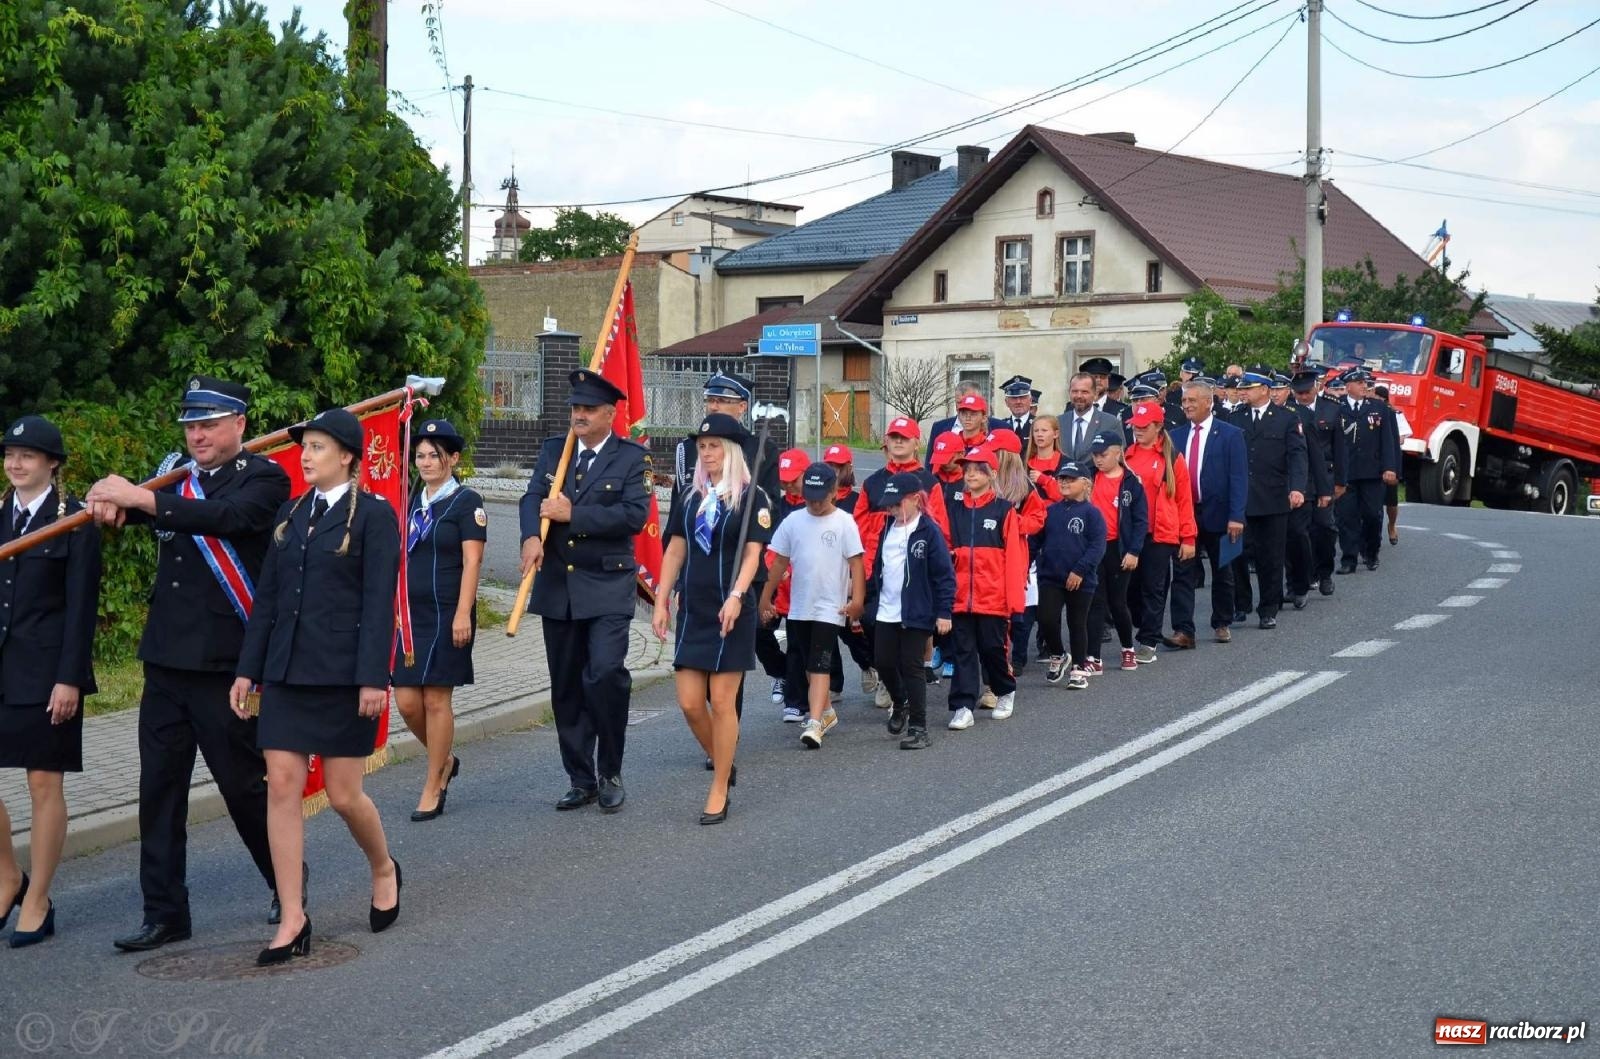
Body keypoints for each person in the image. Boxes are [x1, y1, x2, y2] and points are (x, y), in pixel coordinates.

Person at [88, 377, 290, 953]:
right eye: (190, 425)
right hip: (166, 661)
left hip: (225, 667)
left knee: (243, 789)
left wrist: (140, 497)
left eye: (208, 424)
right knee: (159, 791)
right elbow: (145, 516)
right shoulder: (175, 475)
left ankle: (286, 884)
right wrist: (110, 503)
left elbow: (225, 519)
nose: (197, 434)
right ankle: (165, 911)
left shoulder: (264, 478)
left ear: (239, 425)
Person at [229, 408, 402, 965]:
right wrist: (247, 669)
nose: (306, 456)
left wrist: (374, 677)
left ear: (348, 456)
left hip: (344, 675)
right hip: (286, 672)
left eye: (320, 447)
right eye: (305, 447)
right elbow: (269, 602)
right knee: (281, 784)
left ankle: (382, 866)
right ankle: (294, 915)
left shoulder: (374, 515)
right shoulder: (291, 513)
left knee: (345, 794)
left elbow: (380, 602)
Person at [519, 369, 650, 813]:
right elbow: (531, 498)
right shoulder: (555, 451)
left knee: (605, 675)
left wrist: (574, 514)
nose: (578, 415)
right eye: (575, 408)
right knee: (568, 687)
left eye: (588, 409)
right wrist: (529, 537)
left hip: (608, 584)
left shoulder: (631, 458)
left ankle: (609, 769)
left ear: (610, 415)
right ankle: (580, 777)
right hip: (559, 586)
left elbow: (633, 516)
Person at [0, 416, 100, 948]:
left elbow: (81, 610)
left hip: (46, 673)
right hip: (1, 667)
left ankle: (37, 898)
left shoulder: (75, 521)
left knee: (43, 783)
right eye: (10, 455)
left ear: (52, 463)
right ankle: (7, 877)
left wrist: (70, 680)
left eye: (28, 456)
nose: (16, 464)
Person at [653, 414, 772, 824]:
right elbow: (674, 550)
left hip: (731, 609)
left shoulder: (752, 497)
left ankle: (719, 785)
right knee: (689, 703)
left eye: (715, 446)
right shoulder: (689, 496)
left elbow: (754, 555)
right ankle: (721, 756)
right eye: (702, 447)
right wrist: (661, 600)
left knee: (722, 702)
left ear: (733, 450)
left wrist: (738, 596)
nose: (707, 453)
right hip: (695, 608)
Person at [673, 371, 780, 724]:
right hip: (697, 569)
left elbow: (769, 510)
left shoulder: (758, 449)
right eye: (710, 400)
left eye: (721, 401)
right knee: (697, 670)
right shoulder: (690, 448)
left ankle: (724, 739)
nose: (713, 405)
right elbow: (679, 517)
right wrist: (674, 578)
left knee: (730, 667)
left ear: (742, 407)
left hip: (739, 564)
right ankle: (717, 735)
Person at [391, 419, 485, 822]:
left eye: (435, 456)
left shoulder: (467, 502)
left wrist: (464, 611)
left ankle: (433, 783)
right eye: (421, 456)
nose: (427, 463)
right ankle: (444, 759)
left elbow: (472, 560)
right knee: (407, 702)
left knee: (435, 699)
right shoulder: (411, 501)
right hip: (410, 616)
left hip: (449, 612)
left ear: (453, 459)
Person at [758, 463, 864, 750]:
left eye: (821, 497)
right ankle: (826, 712)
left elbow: (856, 562)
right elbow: (779, 561)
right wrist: (766, 596)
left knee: (820, 663)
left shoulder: (844, 522)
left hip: (830, 607)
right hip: (799, 605)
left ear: (834, 492)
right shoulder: (793, 521)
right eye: (809, 497)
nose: (815, 503)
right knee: (806, 663)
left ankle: (815, 722)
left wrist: (857, 601)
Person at [928, 446, 1027, 730]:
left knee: (992, 649)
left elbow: (1013, 558)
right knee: (963, 652)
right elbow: (944, 544)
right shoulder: (954, 508)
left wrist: (1014, 602)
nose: (970, 474)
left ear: (992, 474)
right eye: (967, 469)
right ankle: (962, 705)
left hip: (993, 598)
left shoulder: (1003, 510)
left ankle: (1004, 690)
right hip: (960, 598)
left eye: (977, 469)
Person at [864, 472, 954, 751]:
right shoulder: (887, 529)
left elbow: (944, 575)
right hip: (887, 609)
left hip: (917, 611)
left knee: (911, 665)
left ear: (916, 499)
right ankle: (899, 701)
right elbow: (879, 569)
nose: (892, 510)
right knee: (883, 661)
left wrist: (944, 612)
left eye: (896, 504)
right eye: (888, 505)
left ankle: (919, 726)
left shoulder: (929, 531)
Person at [1166, 380, 1248, 646]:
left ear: (1207, 402)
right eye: (1184, 401)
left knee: (1222, 570)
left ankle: (1222, 621)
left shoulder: (1230, 434)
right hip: (1186, 515)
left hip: (1220, 514)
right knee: (1182, 572)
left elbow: (1238, 478)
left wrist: (1236, 516)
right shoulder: (1175, 436)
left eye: (1192, 401)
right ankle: (1183, 630)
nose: (1186, 405)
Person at [1226, 372, 1307, 628]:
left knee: (1270, 557)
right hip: (1240, 498)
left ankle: (1269, 608)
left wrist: (1297, 488)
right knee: (1234, 553)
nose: (1243, 392)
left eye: (1248, 388)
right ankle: (1241, 602)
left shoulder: (1286, 418)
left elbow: (1297, 455)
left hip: (1272, 498)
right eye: (1242, 388)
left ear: (1265, 389)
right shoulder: (1235, 417)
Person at [1124, 402, 1196, 661]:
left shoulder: (1172, 458)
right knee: (1131, 588)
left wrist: (1188, 538)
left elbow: (1184, 500)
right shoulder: (1126, 456)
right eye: (1136, 426)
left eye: (1144, 427)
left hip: (1160, 533)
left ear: (1158, 427)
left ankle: (1148, 639)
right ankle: (1142, 624)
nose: (1139, 431)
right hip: (1131, 532)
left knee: (1153, 587)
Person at [1037, 460, 1105, 690]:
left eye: (1070, 479)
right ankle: (1058, 654)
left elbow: (1097, 546)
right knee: (1046, 618)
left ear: (1085, 484)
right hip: (1051, 576)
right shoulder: (1050, 511)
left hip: (1081, 579)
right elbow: (1036, 541)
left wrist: (1079, 570)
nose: (1064, 482)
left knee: (1077, 622)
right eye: (1061, 478)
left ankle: (1078, 667)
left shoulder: (1092, 513)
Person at [1085, 433, 1146, 673]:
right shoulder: (1089, 476)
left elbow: (1140, 521)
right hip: (1094, 547)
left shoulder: (1131, 481)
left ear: (1118, 452)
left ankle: (1128, 648)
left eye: (1104, 455)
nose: (1099, 460)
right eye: (1095, 455)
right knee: (1095, 602)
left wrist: (1134, 551)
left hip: (1118, 548)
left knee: (1118, 602)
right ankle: (1094, 657)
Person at [822, 443, 877, 701]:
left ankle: (868, 664)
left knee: (850, 630)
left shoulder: (856, 501)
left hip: (850, 575)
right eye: (828, 466)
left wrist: (857, 579)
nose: (832, 471)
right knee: (825, 630)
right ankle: (833, 683)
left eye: (837, 467)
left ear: (848, 469)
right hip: (824, 575)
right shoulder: (817, 501)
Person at [1335, 369, 1400, 572]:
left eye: (1365, 382)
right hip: (1345, 472)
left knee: (1372, 514)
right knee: (1346, 517)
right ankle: (1349, 559)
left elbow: (1388, 441)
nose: (1364, 386)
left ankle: (1371, 552)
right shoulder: (1338, 407)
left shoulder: (1379, 408)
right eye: (1359, 382)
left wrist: (1390, 468)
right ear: (1348, 386)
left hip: (1372, 472)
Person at [1292, 369, 1347, 596]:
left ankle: (1324, 573)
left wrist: (1341, 482)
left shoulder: (1332, 409)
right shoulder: (1289, 411)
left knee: (1324, 528)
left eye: (1306, 392)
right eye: (1298, 393)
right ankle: (1302, 578)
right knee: (1298, 532)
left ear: (1316, 387)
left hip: (1325, 476)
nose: (1303, 397)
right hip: (1300, 478)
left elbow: (1341, 449)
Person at [927, 382, 1005, 468]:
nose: (961, 406)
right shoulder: (939, 427)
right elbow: (930, 465)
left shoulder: (1000, 428)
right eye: (958, 402)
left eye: (967, 402)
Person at [1373, 385, 1411, 544]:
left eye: (1377, 398)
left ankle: (1392, 525)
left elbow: (1401, 437)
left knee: (1391, 500)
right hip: (1372, 460)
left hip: (1391, 457)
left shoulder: (1395, 414)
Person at [1062, 373, 1126, 461]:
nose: (1079, 396)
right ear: (1069, 392)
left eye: (1084, 392)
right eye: (1075, 391)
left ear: (1095, 394)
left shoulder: (1110, 423)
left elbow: (1120, 457)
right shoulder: (1059, 422)